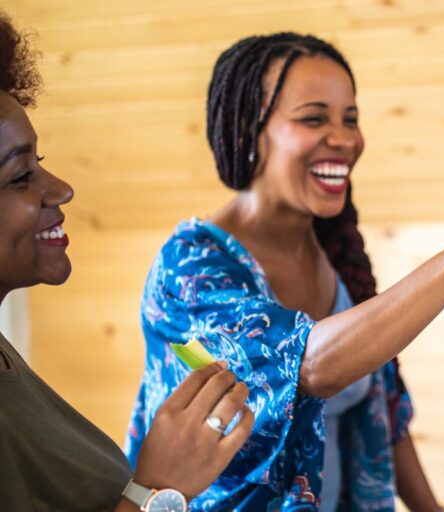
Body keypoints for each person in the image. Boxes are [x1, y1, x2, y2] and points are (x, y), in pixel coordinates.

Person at [124, 32, 444, 511]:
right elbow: (311, 367)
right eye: (314, 118)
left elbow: (385, 409)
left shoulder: (333, 250)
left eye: (350, 119)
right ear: (249, 128)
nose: (345, 139)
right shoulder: (189, 269)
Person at [0, 11, 253, 511]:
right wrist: (158, 488)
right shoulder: (193, 257)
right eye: (20, 175)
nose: (61, 189)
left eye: (41, 164)